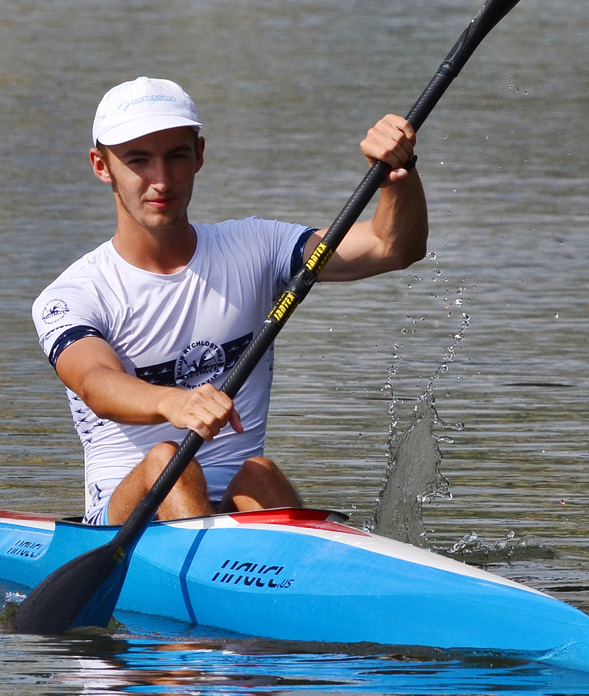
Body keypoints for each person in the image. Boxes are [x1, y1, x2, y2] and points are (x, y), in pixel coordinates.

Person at [33, 77, 427, 526]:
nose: (161, 180)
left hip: (237, 510)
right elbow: (94, 382)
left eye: (176, 156)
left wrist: (398, 174)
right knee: (167, 460)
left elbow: (390, 246)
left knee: (259, 472)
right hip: (122, 517)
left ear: (199, 155)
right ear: (101, 166)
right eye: (139, 161)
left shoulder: (255, 246)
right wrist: (172, 403)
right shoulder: (73, 295)